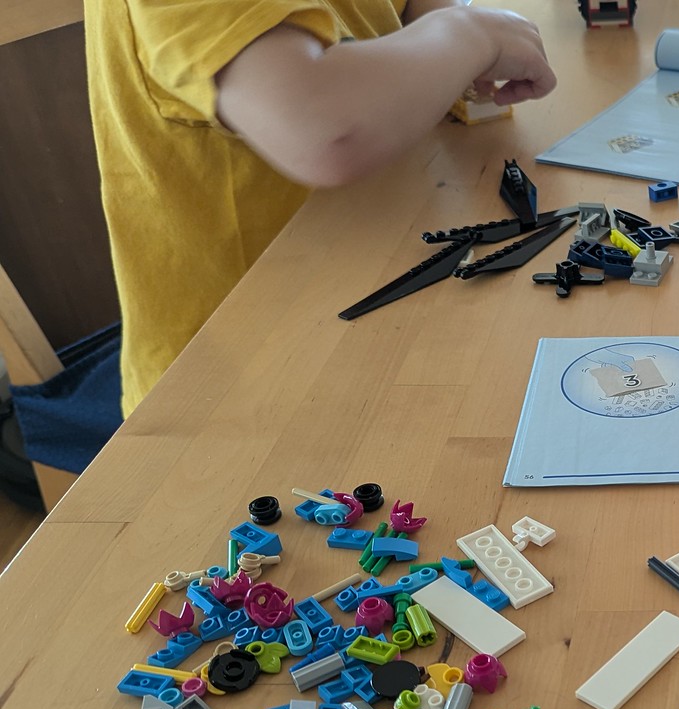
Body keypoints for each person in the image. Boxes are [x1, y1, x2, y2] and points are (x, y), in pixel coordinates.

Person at [85, 1, 558, 415]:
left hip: (392, 298)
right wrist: (468, 34)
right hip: (242, 382)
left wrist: (440, 27)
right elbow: (322, 129)